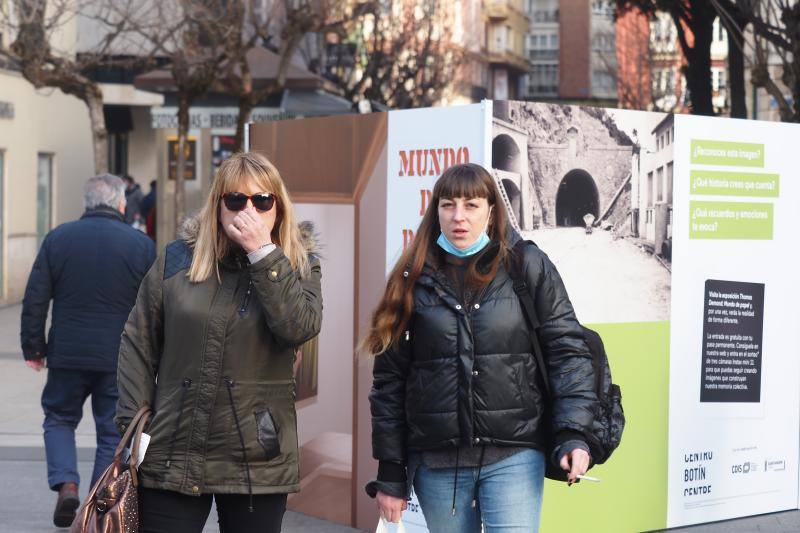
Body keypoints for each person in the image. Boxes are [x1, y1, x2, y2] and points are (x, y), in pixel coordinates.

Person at [362, 163, 597, 532]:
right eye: (448, 204)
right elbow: (389, 381)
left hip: (515, 452)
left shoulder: (526, 265)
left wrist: (573, 433)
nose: (459, 217)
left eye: (471, 205)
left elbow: (567, 352)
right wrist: (391, 470)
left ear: (491, 211)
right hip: (437, 461)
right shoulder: (411, 277)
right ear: (435, 210)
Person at [116, 152, 322, 533]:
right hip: (174, 444)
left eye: (262, 201)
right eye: (236, 199)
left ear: (278, 207)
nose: (249, 209)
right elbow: (138, 342)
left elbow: (299, 328)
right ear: (218, 204)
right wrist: (136, 423)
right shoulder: (178, 259)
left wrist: (263, 254)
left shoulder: (296, 261)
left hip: (256, 453)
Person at [20, 174, 156, 528]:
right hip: (119, 357)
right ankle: (95, 509)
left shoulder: (58, 239)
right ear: (121, 203)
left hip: (67, 353)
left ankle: (67, 483)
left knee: (60, 418)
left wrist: (33, 346)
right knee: (112, 432)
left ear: (87, 202)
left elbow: (36, 297)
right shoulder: (141, 245)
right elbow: (154, 305)